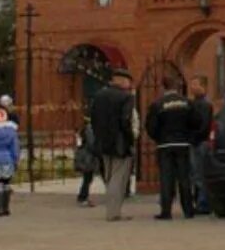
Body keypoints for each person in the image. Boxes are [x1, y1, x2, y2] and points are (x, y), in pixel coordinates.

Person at [145, 75, 196, 221]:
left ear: (163, 87)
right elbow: (196, 121)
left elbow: (150, 126)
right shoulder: (187, 103)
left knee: (166, 178)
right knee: (184, 178)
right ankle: (188, 210)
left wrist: (158, 138)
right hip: (183, 144)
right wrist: (188, 136)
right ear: (177, 87)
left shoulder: (157, 104)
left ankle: (166, 211)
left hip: (165, 145)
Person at [89, 68, 137, 222]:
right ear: (123, 81)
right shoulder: (126, 97)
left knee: (109, 176)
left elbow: (93, 119)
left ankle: (111, 210)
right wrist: (130, 139)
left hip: (103, 142)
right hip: (120, 143)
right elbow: (126, 121)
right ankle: (113, 212)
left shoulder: (99, 96)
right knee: (118, 178)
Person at [187, 75, 214, 215]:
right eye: (191, 84)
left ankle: (203, 204)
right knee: (196, 174)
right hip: (197, 141)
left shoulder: (204, 104)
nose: (192, 87)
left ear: (203, 86)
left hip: (199, 142)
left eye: (195, 84)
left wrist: (193, 137)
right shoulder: (195, 103)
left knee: (199, 174)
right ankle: (200, 201)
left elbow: (203, 126)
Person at [73, 117, 99, 208]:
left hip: (85, 155)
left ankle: (83, 196)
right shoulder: (90, 128)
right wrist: (97, 151)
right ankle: (82, 197)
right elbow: (91, 143)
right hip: (88, 157)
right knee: (87, 178)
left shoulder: (85, 128)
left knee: (87, 178)